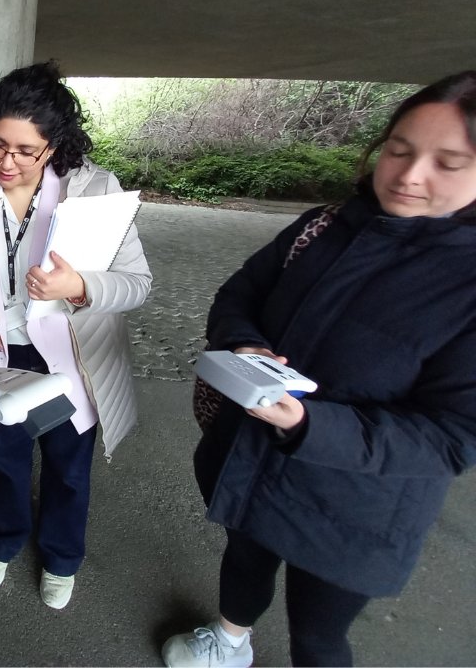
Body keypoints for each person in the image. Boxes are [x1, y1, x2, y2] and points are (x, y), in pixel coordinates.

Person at [162, 71, 476, 668]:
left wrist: (309, 424)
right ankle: (228, 642)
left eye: (449, 162)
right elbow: (240, 294)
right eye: (400, 150)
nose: (410, 175)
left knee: (319, 633)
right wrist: (246, 343)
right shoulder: (325, 226)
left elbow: (454, 436)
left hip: (357, 504)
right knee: (244, 558)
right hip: (252, 459)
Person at [0, 61, 152, 610]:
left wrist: (79, 286)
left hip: (72, 357)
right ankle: (3, 540)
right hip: (4, 349)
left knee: (68, 465)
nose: (6, 162)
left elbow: (138, 285)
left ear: (52, 146)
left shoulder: (96, 190)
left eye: (24, 151)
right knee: (4, 455)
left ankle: (61, 557)